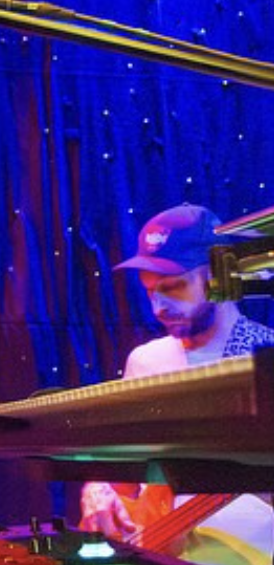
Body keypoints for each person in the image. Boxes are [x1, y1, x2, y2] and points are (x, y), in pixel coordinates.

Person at [79, 203, 274, 565]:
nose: (158, 308)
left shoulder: (265, 357)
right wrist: (98, 487)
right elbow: (124, 474)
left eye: (173, 287)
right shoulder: (144, 361)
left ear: (218, 276)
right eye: (150, 290)